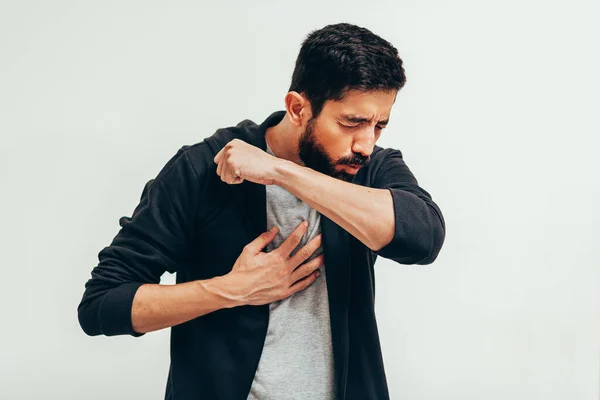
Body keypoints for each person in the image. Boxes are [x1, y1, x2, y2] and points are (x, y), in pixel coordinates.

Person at [77, 22, 446, 400]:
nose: (366, 143)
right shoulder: (204, 168)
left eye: (379, 125)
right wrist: (231, 290)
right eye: (352, 123)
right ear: (298, 108)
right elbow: (102, 305)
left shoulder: (369, 170)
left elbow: (423, 238)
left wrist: (281, 172)